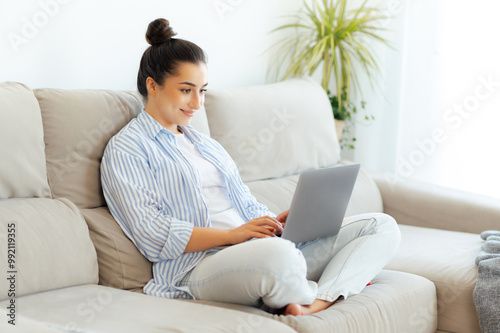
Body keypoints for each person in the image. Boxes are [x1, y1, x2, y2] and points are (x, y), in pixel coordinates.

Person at [101, 18, 401, 316]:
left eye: (202, 90)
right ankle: (316, 284)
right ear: (153, 85)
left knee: (381, 227)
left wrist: (277, 222)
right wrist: (234, 236)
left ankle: (317, 299)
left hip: (260, 250)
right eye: (186, 90)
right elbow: (152, 235)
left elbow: (244, 203)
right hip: (201, 266)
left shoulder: (206, 145)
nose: (197, 103)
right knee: (280, 256)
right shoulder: (128, 148)